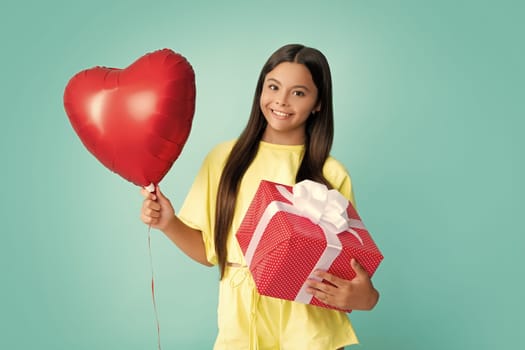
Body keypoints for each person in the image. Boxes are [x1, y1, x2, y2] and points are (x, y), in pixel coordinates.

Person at [140, 44, 379, 349]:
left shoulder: (332, 173)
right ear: (260, 90)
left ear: (318, 103)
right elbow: (211, 253)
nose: (281, 101)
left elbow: (347, 269)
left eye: (299, 93)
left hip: (309, 330)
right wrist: (168, 223)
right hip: (240, 326)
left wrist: (366, 297)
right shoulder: (223, 160)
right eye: (274, 87)